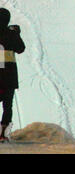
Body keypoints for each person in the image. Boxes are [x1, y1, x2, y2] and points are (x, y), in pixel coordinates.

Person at [0, 8, 25, 142]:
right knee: (7, 106)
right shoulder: (11, 34)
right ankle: (3, 134)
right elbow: (20, 49)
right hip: (8, 78)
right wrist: (17, 33)